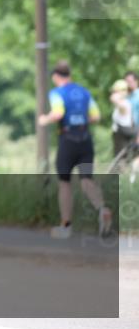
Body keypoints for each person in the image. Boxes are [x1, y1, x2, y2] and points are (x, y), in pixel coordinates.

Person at [37, 60, 112, 238]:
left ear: (55, 76)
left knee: (64, 183)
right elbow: (96, 116)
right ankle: (102, 209)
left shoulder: (57, 92)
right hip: (86, 140)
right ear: (69, 75)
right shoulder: (84, 92)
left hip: (68, 140)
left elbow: (58, 113)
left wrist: (44, 120)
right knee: (86, 181)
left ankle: (66, 225)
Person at [110, 79, 136, 156]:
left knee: (121, 156)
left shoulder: (124, 102)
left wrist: (115, 99)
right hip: (120, 131)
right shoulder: (125, 101)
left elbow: (123, 109)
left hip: (122, 132)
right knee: (123, 155)